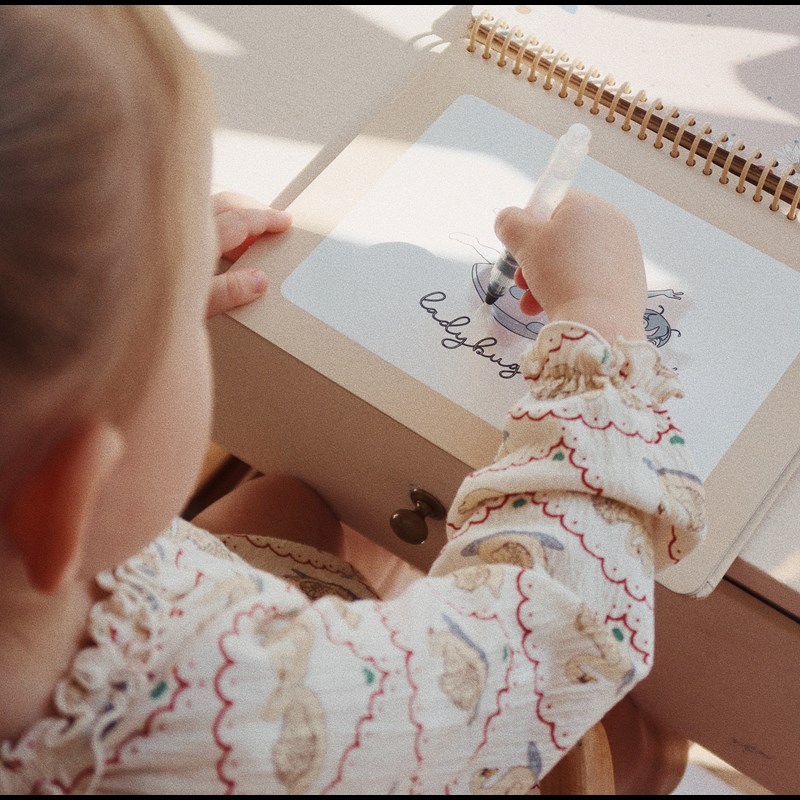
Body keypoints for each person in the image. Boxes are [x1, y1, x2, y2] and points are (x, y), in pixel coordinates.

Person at [0, 6, 706, 795]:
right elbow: (540, 645)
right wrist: (598, 326)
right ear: (70, 492)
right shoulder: (249, 710)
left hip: (173, 578)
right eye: (171, 323)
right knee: (638, 747)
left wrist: (118, 311)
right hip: (402, 734)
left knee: (291, 505)